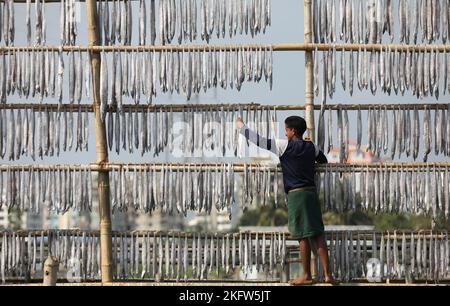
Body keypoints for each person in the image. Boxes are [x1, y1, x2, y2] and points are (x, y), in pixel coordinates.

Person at [237, 116, 334, 285]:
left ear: (292, 131)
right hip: (311, 193)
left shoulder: (283, 145)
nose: (285, 132)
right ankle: (328, 275)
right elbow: (323, 160)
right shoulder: (311, 146)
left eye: (287, 129)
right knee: (318, 233)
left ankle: (306, 275)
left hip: (296, 195)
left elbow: (259, 141)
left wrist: (241, 128)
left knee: (302, 235)